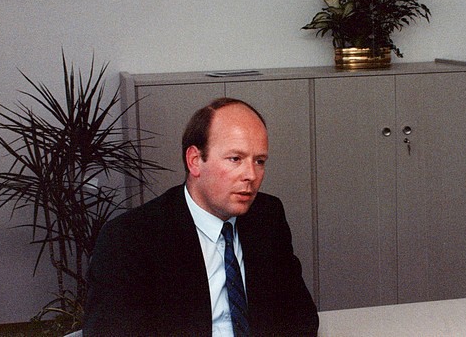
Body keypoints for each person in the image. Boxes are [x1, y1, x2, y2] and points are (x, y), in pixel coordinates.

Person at [83, 97, 319, 336]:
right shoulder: (129, 238)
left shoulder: (267, 215)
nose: (251, 174)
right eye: (235, 159)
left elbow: (301, 318)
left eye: (259, 161)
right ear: (194, 161)